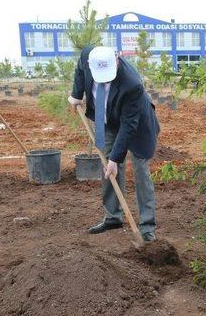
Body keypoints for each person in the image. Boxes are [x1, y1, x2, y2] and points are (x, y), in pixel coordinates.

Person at [68, 46, 160, 242]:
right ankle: (113, 217)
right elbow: (79, 70)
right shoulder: (87, 57)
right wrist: (76, 94)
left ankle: (147, 226)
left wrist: (116, 159)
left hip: (137, 123)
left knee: (140, 170)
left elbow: (129, 126)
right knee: (108, 166)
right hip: (107, 118)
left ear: (117, 61)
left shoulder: (132, 84)